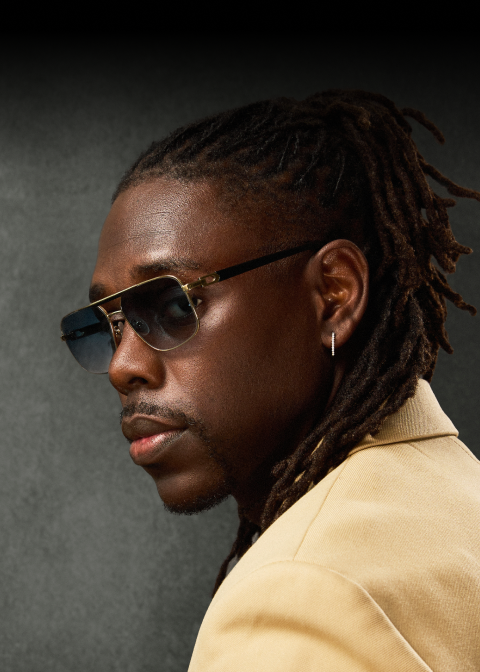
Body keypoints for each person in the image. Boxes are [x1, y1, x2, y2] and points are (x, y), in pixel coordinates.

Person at [61, 90, 480, 671]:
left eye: (172, 304)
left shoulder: (302, 594)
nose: (122, 365)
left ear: (333, 293)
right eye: (103, 326)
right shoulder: (461, 500)